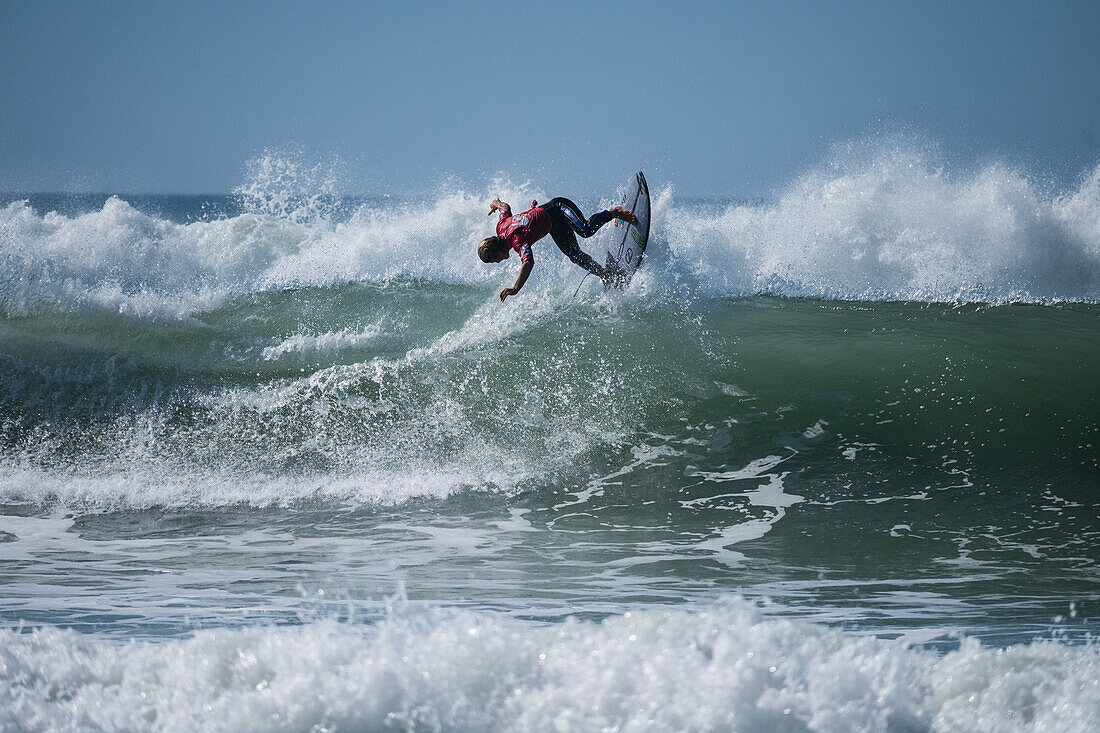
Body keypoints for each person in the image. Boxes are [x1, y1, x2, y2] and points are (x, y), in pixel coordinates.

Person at [479, 196, 637, 301]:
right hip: (553, 225)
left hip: (559, 208)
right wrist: (495, 204)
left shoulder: (516, 241)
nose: (498, 262)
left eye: (495, 260)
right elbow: (504, 207)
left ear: (498, 251)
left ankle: (614, 213)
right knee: (574, 255)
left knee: (586, 230)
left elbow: (528, 262)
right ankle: (604, 273)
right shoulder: (501, 226)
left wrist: (516, 287)